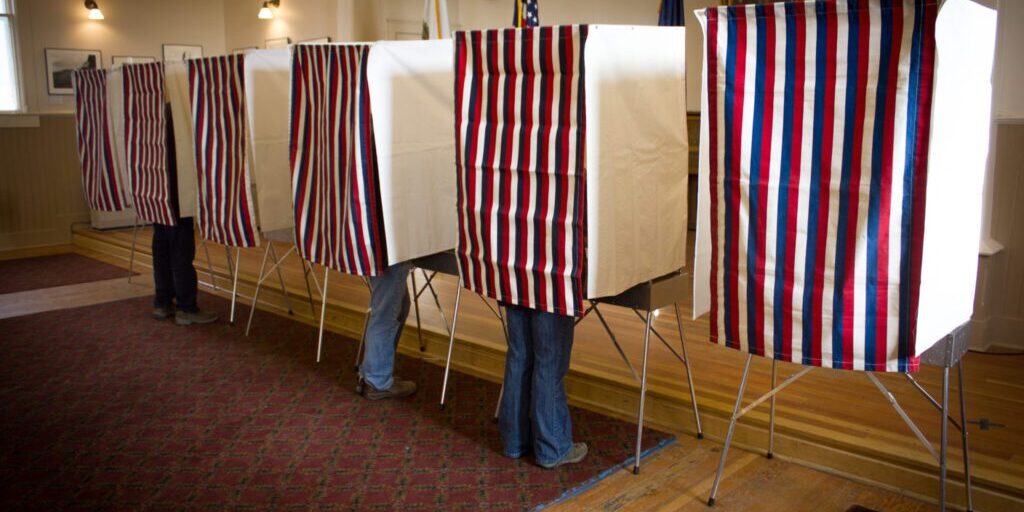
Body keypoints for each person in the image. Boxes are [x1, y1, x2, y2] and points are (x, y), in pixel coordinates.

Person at [151, 102, 217, 326]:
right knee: (181, 249)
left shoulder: (154, 110)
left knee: (161, 245)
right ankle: (186, 306)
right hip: (179, 190)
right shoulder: (182, 112)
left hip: (157, 188)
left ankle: (162, 302)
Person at [499, 305, 587, 469]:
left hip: (514, 282)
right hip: (550, 286)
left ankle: (514, 441)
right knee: (550, 359)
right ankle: (553, 447)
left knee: (519, 356)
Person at [358, 262, 417, 400]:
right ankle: (377, 380)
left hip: (381, 249)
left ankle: (375, 371)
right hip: (390, 250)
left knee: (399, 307)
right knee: (386, 314)